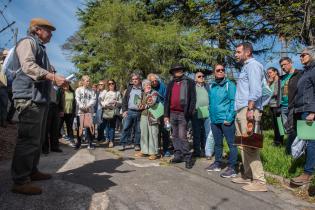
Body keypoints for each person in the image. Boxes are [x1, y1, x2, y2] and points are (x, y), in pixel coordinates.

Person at [11, 18, 66, 195]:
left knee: (36, 139)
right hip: (29, 97)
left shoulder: (40, 47)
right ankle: (20, 181)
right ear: (37, 30)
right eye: (48, 30)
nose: (51, 34)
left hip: (39, 99)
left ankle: (31, 171)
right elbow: (28, 66)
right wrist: (51, 76)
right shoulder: (27, 42)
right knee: (28, 140)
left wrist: (55, 78)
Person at [232, 42, 268, 192]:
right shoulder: (245, 67)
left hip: (249, 109)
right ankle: (247, 175)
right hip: (242, 109)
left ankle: (260, 181)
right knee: (242, 144)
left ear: (247, 52)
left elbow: (256, 89)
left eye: (238, 52)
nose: (236, 54)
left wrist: (251, 108)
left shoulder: (253, 65)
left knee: (251, 144)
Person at [205, 64, 237, 178]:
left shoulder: (230, 85)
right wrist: (211, 115)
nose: (220, 71)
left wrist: (229, 118)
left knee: (231, 144)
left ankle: (232, 167)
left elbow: (234, 102)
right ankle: (217, 163)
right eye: (218, 70)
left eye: (223, 70)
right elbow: (210, 102)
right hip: (214, 120)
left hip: (226, 120)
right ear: (214, 72)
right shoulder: (212, 86)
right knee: (217, 144)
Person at [290, 47, 315, 186]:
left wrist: (313, 111)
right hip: (302, 110)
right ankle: (308, 168)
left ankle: (308, 173)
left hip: (309, 111)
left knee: (311, 142)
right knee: (305, 143)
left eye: (303, 55)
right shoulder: (306, 71)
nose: (300, 57)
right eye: (300, 55)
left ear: (311, 55)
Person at [164, 64, 196, 169]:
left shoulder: (190, 82)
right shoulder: (171, 84)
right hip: (172, 113)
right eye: (176, 70)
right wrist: (166, 115)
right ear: (173, 72)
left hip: (183, 114)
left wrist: (189, 112)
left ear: (183, 70)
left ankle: (187, 157)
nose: (178, 71)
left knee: (183, 136)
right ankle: (178, 155)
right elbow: (167, 100)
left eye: (180, 69)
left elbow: (193, 99)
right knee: (175, 136)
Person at [147, 73, 171, 157]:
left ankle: (166, 150)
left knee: (166, 131)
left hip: (164, 112)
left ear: (158, 80)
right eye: (152, 81)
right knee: (156, 132)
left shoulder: (163, 86)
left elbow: (167, 98)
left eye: (155, 80)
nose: (154, 82)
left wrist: (164, 108)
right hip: (154, 112)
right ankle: (156, 150)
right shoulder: (149, 88)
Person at [136, 79, 160, 159]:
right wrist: (140, 105)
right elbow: (137, 104)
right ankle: (144, 151)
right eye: (146, 85)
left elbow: (151, 103)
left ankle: (154, 153)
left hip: (153, 115)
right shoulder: (141, 94)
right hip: (143, 115)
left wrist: (142, 105)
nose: (148, 86)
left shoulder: (154, 93)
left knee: (153, 133)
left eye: (149, 84)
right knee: (144, 134)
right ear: (143, 87)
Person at [43, 67, 64, 154]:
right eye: (52, 71)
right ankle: (45, 148)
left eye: (55, 71)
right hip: (47, 106)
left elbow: (61, 98)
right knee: (46, 128)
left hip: (56, 107)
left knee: (55, 128)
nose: (54, 73)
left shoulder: (57, 84)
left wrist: (61, 109)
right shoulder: (45, 81)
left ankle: (55, 146)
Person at [119, 73, 143, 151]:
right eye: (133, 79)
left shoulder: (143, 89)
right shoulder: (129, 88)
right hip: (129, 111)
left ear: (139, 80)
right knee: (125, 128)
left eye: (136, 79)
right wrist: (124, 110)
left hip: (139, 112)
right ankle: (122, 144)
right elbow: (124, 100)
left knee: (138, 130)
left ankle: (137, 144)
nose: (134, 80)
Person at [75, 75, 96, 149]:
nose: (88, 82)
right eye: (87, 81)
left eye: (89, 81)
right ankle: (79, 143)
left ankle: (90, 143)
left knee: (89, 128)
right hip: (80, 112)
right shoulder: (78, 90)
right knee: (79, 128)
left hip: (89, 112)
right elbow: (77, 100)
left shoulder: (92, 90)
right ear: (83, 81)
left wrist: (88, 106)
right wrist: (82, 107)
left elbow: (93, 100)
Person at [99, 79, 122, 148]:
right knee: (106, 126)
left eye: (112, 83)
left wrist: (116, 102)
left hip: (113, 111)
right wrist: (105, 104)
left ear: (115, 84)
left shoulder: (117, 92)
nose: (111, 85)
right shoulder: (105, 92)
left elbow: (121, 102)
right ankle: (107, 139)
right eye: (109, 84)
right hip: (106, 110)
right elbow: (100, 100)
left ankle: (111, 141)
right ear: (107, 85)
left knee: (112, 126)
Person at [191, 70, 208, 157]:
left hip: (207, 112)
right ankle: (197, 151)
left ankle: (206, 150)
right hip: (196, 112)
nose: (202, 77)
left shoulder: (207, 86)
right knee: (196, 132)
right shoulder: (193, 88)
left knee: (206, 132)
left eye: (203, 76)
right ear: (195, 79)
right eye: (199, 76)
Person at [267, 67, 283, 146]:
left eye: (270, 72)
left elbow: (276, 92)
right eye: (268, 73)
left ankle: (279, 141)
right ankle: (276, 140)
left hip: (277, 105)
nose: (269, 74)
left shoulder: (279, 81)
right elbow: (265, 91)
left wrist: (269, 94)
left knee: (278, 124)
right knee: (274, 124)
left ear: (275, 72)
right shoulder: (271, 82)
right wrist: (269, 83)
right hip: (271, 105)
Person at [58, 82, 76, 147]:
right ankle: (55, 141)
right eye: (64, 85)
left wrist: (74, 113)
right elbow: (58, 102)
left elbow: (74, 103)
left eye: (67, 84)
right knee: (58, 127)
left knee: (70, 128)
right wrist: (60, 110)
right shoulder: (60, 92)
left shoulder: (72, 92)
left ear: (69, 85)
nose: (65, 86)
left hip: (70, 113)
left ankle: (72, 141)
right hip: (62, 113)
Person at [96, 80, 107, 145]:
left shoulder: (105, 92)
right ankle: (100, 138)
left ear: (104, 85)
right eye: (99, 84)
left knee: (101, 124)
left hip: (102, 109)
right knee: (98, 125)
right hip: (98, 109)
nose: (100, 85)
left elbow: (102, 100)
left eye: (102, 84)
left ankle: (101, 138)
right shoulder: (98, 92)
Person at [0, 49, 8, 127]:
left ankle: (3, 121)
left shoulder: (8, 65)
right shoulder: (1, 64)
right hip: (2, 86)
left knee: (4, 105)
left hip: (5, 87)